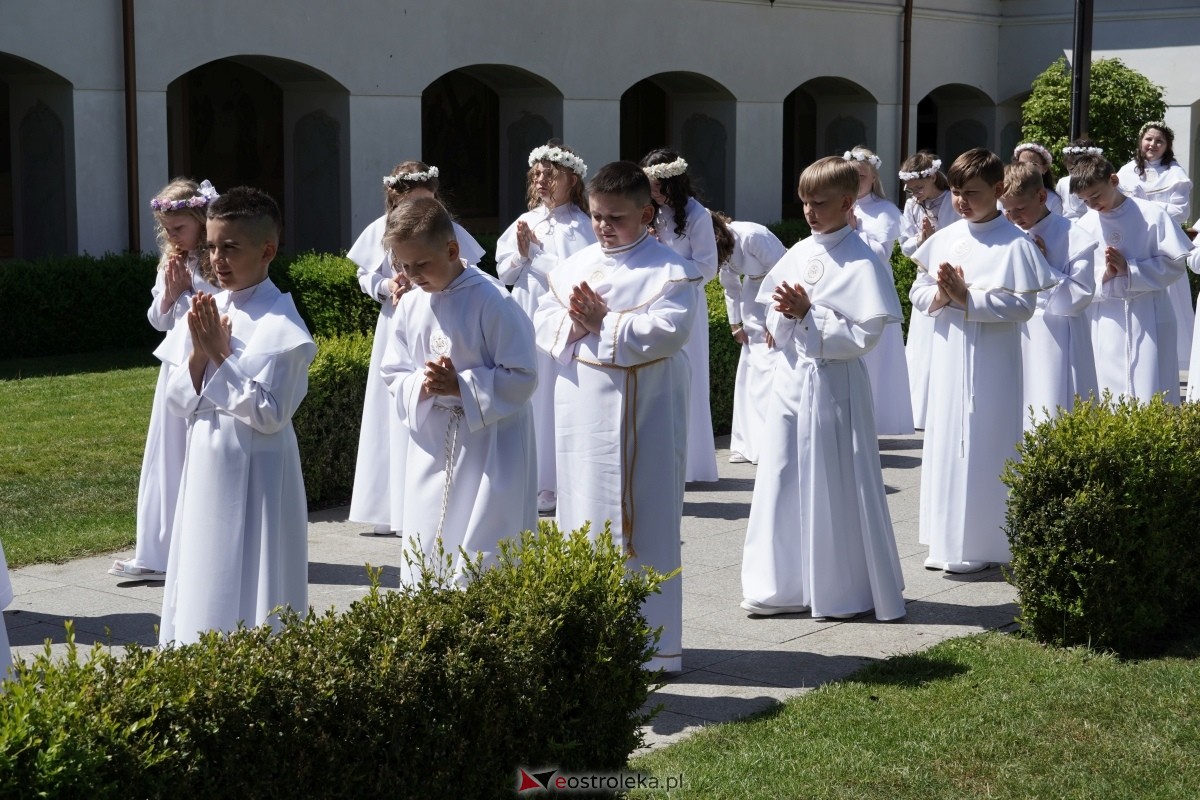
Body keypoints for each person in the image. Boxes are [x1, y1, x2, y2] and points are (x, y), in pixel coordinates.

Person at [534, 161, 701, 673]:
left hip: (644, 414)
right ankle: (590, 642)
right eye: (596, 216)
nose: (604, 227)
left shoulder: (670, 269)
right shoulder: (574, 265)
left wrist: (602, 324)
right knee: (582, 515)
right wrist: (576, 325)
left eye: (616, 218)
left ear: (647, 214)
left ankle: (652, 650)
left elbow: (669, 332)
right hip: (581, 414)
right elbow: (544, 319)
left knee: (644, 522)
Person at [740, 157, 906, 621]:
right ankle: (780, 585)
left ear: (848, 202)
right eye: (805, 202)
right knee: (783, 474)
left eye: (820, 203)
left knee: (834, 480)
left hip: (835, 384)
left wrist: (809, 315)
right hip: (792, 382)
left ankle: (840, 589)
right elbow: (776, 315)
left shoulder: (862, 259)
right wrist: (785, 315)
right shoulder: (799, 251)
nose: (810, 212)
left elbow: (863, 335)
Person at [158, 187, 317, 645]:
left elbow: (270, 414)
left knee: (255, 577)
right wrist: (198, 359)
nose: (218, 259)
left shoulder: (283, 325)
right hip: (207, 462)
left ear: (267, 250)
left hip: (262, 473)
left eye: (230, 247)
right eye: (211, 246)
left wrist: (220, 357)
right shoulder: (206, 309)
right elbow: (176, 401)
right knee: (203, 564)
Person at [910, 148, 1056, 574]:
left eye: (971, 192)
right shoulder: (945, 238)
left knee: (984, 438)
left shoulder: (1015, 243)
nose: (961, 201)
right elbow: (919, 292)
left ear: (997, 190)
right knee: (946, 438)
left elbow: (1022, 307)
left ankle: (984, 541)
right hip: (949, 351)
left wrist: (968, 298)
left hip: (992, 359)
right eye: (956, 192)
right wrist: (941, 295)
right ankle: (944, 538)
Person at [379, 196, 537, 586]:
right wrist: (424, 384)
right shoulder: (411, 304)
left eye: (421, 264)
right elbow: (393, 370)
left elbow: (523, 374)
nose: (411, 275)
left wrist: (463, 386)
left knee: (481, 546)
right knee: (426, 538)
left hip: (490, 444)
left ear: (452, 250)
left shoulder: (493, 300)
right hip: (433, 443)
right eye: (403, 266)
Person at [347, 161, 485, 536]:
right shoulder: (382, 230)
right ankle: (388, 505)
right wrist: (385, 288)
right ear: (397, 196)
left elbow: (464, 264)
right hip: (398, 321)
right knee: (397, 405)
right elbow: (365, 274)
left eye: (430, 198)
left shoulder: (446, 230)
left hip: (439, 318)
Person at [109, 178, 221, 581]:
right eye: (167, 231)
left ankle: (201, 541)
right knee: (166, 451)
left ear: (200, 219)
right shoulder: (172, 261)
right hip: (175, 362)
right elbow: (157, 319)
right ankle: (160, 545)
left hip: (209, 360)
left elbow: (223, 304)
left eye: (180, 229)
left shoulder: (219, 257)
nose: (173, 237)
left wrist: (189, 286)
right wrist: (171, 292)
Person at [496, 142, 595, 515]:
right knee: (528, 392)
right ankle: (527, 478)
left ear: (571, 178)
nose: (540, 180)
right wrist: (522, 254)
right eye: (536, 174)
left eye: (549, 174)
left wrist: (535, 257)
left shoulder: (583, 226)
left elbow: (575, 278)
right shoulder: (526, 221)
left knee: (555, 396)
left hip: (560, 319)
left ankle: (554, 483)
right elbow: (504, 273)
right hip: (526, 312)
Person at [1072, 153, 1192, 403]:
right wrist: (1105, 273)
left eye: (1096, 195)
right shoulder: (1086, 224)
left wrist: (1131, 269)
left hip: (1149, 311)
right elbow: (1078, 278)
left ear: (1113, 180)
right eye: (1085, 200)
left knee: (1153, 385)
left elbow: (1175, 264)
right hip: (1106, 317)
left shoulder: (1151, 215)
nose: (1093, 205)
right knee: (1106, 388)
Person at [640, 148, 719, 483]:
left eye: (657, 183)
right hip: (648, 302)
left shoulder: (697, 215)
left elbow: (707, 267)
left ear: (672, 181)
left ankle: (692, 464)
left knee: (687, 377)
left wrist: (663, 253)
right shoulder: (646, 213)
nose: (652, 190)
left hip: (686, 305)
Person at [1000, 162, 1098, 427]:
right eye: (1007, 211)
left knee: (1053, 403)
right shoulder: (1007, 234)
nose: (1013, 217)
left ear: (1041, 196)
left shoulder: (1075, 236)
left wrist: (1043, 269)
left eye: (1020, 208)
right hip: (1016, 329)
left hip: (1058, 332)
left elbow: (1080, 296)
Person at [845, 146, 914, 435]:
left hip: (872, 286)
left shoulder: (884, 210)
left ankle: (870, 422)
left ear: (872, 178)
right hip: (845, 287)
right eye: (851, 176)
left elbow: (880, 253)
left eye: (861, 176)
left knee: (873, 356)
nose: (856, 181)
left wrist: (854, 229)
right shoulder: (840, 202)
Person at [1117, 122, 1195, 372]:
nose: (1152, 145)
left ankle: (1174, 356)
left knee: (1169, 297)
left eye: (1159, 141)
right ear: (1141, 141)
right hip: (1134, 241)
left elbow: (1181, 212)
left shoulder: (1175, 174)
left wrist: (1144, 205)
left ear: (1167, 146)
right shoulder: (1126, 171)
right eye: (1148, 139)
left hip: (1163, 242)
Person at [712, 211, 787, 465]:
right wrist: (735, 323)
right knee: (750, 369)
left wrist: (775, 320)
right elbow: (730, 284)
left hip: (775, 294)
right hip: (752, 294)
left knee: (769, 367)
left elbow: (782, 273)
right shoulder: (717, 247)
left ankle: (770, 442)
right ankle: (746, 443)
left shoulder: (752, 235)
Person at [897, 151, 961, 429]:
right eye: (910, 190)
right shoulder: (912, 207)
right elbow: (905, 244)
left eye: (919, 188)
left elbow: (961, 234)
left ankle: (945, 403)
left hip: (951, 272)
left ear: (933, 177)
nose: (915, 194)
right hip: (926, 276)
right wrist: (922, 240)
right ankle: (920, 409)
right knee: (922, 344)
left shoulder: (953, 201)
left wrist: (937, 239)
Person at [1012, 142, 1063, 215]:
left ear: (1044, 169)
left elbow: (1056, 224)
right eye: (1022, 164)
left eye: (1034, 164)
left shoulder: (1052, 199)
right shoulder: (1007, 194)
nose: (1027, 169)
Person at [1057, 139, 1103, 220]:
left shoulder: (1101, 183)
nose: (1076, 174)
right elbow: (1058, 210)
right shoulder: (1063, 183)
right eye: (1071, 170)